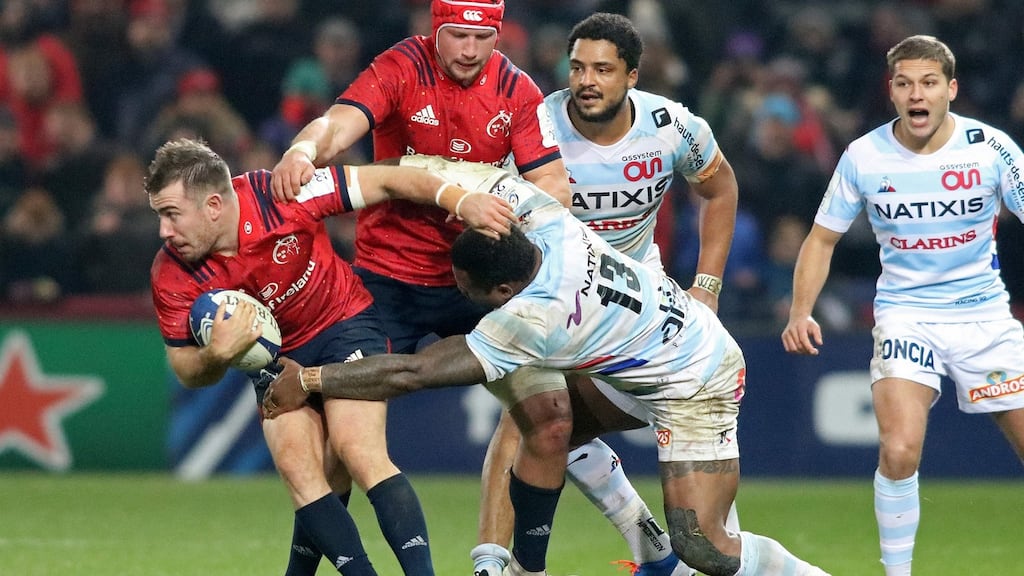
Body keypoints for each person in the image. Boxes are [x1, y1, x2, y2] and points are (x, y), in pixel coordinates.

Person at [263, 155, 831, 576]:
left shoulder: (532, 319)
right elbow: (459, 172)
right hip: (654, 350)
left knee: (702, 545)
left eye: (474, 294)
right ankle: (530, 568)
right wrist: (383, 176)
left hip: (699, 379)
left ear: (505, 289)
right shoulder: (542, 218)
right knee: (545, 424)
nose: (469, 302)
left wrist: (310, 379)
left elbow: (412, 372)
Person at [269, 3, 670, 575]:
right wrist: (304, 150)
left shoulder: (516, 89)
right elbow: (341, 121)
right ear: (436, 29)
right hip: (389, 281)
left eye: (482, 38)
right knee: (343, 447)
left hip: (483, 286)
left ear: (498, 34)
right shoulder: (402, 67)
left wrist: (511, 207)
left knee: (552, 418)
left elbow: (553, 185)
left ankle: (526, 568)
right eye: (456, 35)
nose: (468, 50)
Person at [148, 139, 513, 575]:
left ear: (212, 205)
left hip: (344, 324)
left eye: (171, 214)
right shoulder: (172, 272)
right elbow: (186, 370)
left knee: (357, 451)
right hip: (275, 358)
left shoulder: (281, 195)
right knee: (302, 474)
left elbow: (390, 178)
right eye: (160, 216)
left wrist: (463, 199)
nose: (164, 231)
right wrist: (216, 354)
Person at [478, 12, 741, 576]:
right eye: (577, 67)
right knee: (534, 420)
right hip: (550, 295)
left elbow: (720, 189)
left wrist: (708, 285)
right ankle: (502, 564)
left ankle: (693, 549)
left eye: (602, 69)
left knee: (692, 408)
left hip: (635, 296)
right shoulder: (533, 126)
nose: (587, 80)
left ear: (633, 78)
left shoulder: (674, 128)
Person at [781, 35, 1024, 576]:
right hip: (906, 314)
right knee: (898, 450)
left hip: (983, 317)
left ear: (950, 90)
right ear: (891, 91)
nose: (917, 93)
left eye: (929, 82)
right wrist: (801, 310)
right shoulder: (864, 157)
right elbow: (821, 239)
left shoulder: (992, 149)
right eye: (905, 82)